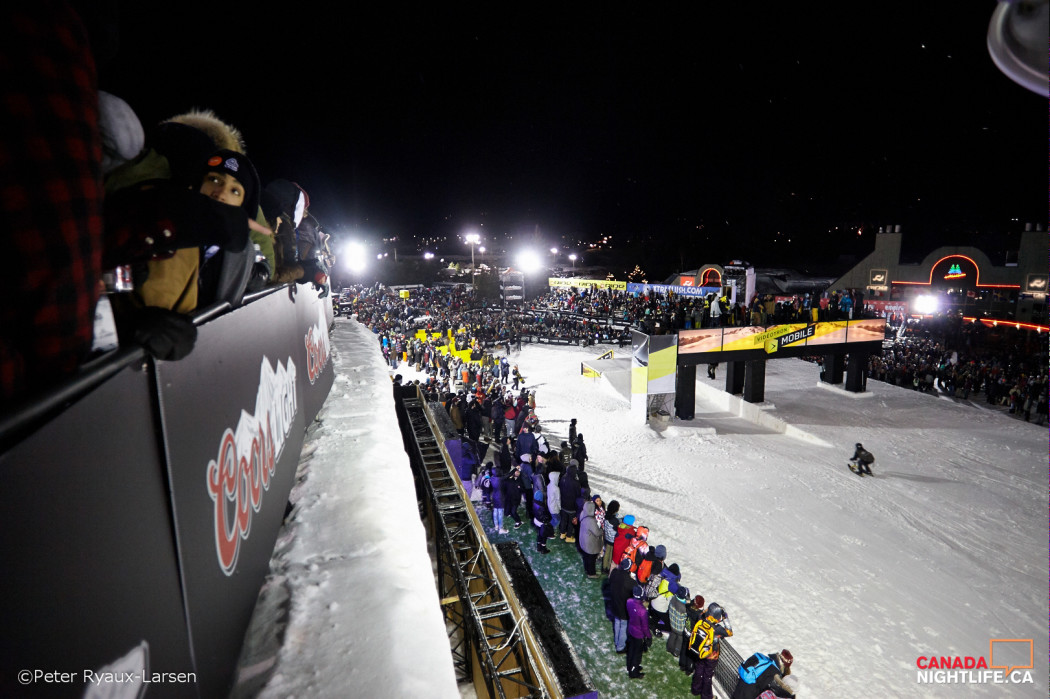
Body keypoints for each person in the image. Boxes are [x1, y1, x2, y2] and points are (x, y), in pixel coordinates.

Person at [689, 602, 734, 698]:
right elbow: (730, 632)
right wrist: (725, 617)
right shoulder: (717, 629)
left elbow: (702, 613)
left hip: (700, 651)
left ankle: (695, 689)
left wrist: (709, 609)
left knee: (699, 669)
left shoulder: (701, 618)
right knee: (707, 676)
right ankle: (707, 696)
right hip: (711, 656)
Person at [609, 558, 635, 654]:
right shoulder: (630, 582)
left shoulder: (614, 573)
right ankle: (620, 647)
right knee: (624, 626)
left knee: (617, 622)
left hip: (615, 603)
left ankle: (617, 641)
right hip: (624, 608)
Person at [625, 585, 651, 679]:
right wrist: (649, 636)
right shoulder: (643, 611)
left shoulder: (629, 601)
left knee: (631, 650)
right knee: (637, 654)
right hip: (638, 634)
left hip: (631, 629)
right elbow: (645, 627)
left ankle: (630, 666)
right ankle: (633, 672)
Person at [578, 495, 604, 578]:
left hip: (583, 540)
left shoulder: (583, 514)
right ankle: (591, 574)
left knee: (586, 557)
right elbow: (597, 532)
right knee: (591, 559)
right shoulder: (591, 520)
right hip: (590, 544)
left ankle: (587, 570)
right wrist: (602, 530)